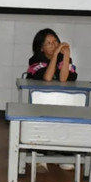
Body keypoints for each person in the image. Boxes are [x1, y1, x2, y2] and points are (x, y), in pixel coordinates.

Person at [25, 28, 78, 171]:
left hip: (60, 103)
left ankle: (62, 153)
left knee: (65, 120)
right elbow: (47, 77)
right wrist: (55, 56)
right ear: (41, 48)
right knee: (41, 123)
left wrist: (66, 55)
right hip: (39, 106)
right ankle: (38, 154)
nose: (53, 45)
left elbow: (64, 78)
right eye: (48, 43)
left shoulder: (64, 59)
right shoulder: (35, 60)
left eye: (55, 42)